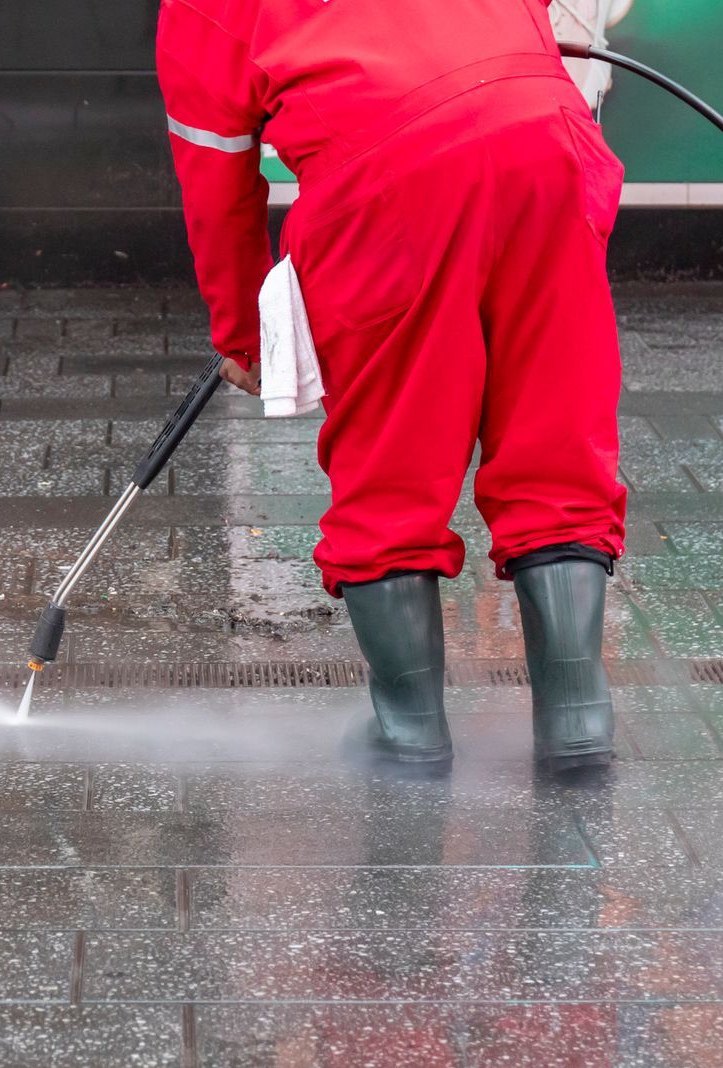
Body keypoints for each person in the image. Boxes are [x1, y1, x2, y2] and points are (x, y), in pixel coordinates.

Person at [157, 0, 627, 771]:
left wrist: (242, 331)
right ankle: (577, 717)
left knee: (394, 450)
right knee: (555, 427)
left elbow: (216, 171)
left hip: (386, 181)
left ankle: (409, 728)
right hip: (543, 144)